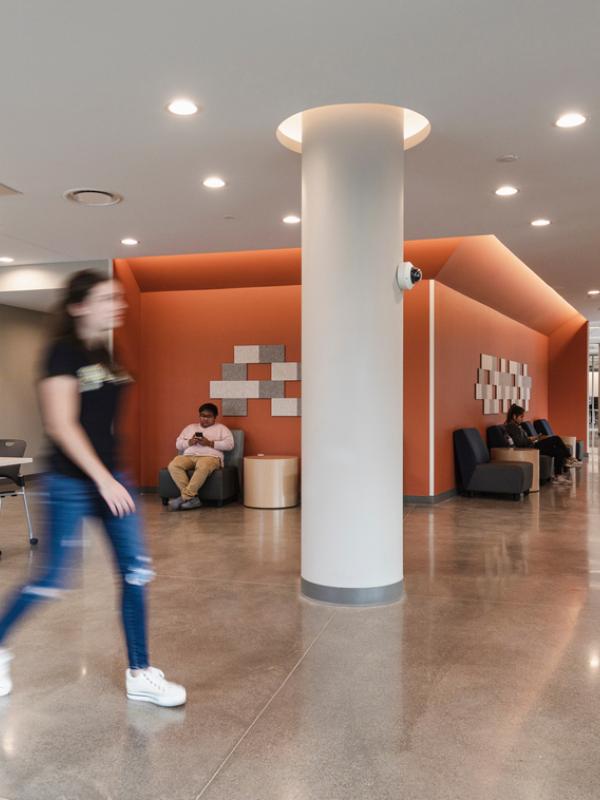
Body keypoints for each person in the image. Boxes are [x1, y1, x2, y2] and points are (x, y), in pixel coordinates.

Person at [0, 270, 186, 706]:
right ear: (79, 305)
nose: (117, 305)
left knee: (136, 572)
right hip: (71, 480)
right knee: (51, 578)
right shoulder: (60, 353)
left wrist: (112, 476)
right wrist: (103, 479)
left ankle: (140, 672)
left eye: (118, 297)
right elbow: (61, 425)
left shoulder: (104, 349)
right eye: (107, 298)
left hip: (110, 476)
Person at [167, 404, 234, 511]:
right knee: (173, 465)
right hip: (189, 456)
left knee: (203, 466)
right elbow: (178, 444)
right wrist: (189, 442)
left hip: (211, 457)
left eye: (209, 416)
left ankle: (185, 497)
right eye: (202, 416)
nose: (205, 419)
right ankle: (193, 499)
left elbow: (230, 445)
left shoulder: (222, 428)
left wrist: (210, 443)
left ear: (215, 417)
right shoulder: (190, 427)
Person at [504, 404, 579, 484]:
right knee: (556, 439)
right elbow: (520, 443)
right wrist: (532, 440)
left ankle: (558, 475)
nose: (522, 419)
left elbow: (522, 439)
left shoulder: (516, 426)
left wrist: (534, 438)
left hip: (531, 445)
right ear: (514, 416)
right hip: (530, 449)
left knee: (558, 451)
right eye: (521, 417)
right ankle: (569, 457)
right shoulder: (512, 427)